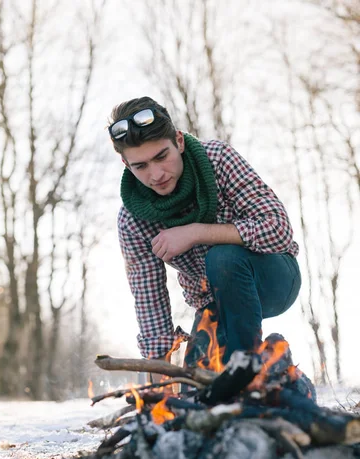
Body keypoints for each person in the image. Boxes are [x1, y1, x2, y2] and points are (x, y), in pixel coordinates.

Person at [108, 96, 301, 369]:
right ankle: (266, 373)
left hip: (274, 278)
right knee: (196, 383)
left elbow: (278, 229)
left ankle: (243, 370)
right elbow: (150, 303)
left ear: (179, 141)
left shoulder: (218, 159)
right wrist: (157, 387)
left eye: (162, 156)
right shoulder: (132, 220)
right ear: (127, 166)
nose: (156, 174)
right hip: (214, 302)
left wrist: (196, 232)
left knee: (222, 257)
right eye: (141, 166)